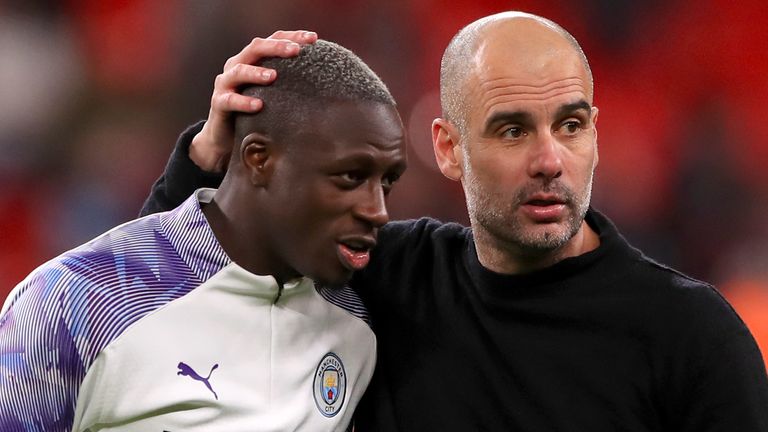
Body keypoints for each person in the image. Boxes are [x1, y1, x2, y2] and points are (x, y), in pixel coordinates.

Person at [147, 12, 768, 432]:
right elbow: (143, 310)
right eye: (513, 130)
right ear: (447, 149)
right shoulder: (378, 276)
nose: (550, 160)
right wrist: (206, 158)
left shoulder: (690, 336)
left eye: (570, 126)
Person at [0, 34, 407, 431]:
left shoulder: (361, 321)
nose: (378, 211)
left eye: (386, 182)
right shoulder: (73, 302)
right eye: (350, 177)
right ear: (258, 158)